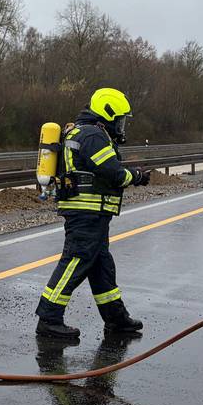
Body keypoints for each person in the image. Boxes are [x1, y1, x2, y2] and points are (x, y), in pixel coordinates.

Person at [35, 87, 151, 339]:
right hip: (86, 212)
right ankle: (48, 318)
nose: (121, 126)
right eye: (119, 119)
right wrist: (138, 176)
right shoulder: (93, 135)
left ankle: (116, 319)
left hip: (91, 212)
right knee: (75, 260)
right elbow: (114, 172)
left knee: (101, 267)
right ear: (107, 114)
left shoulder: (82, 132)